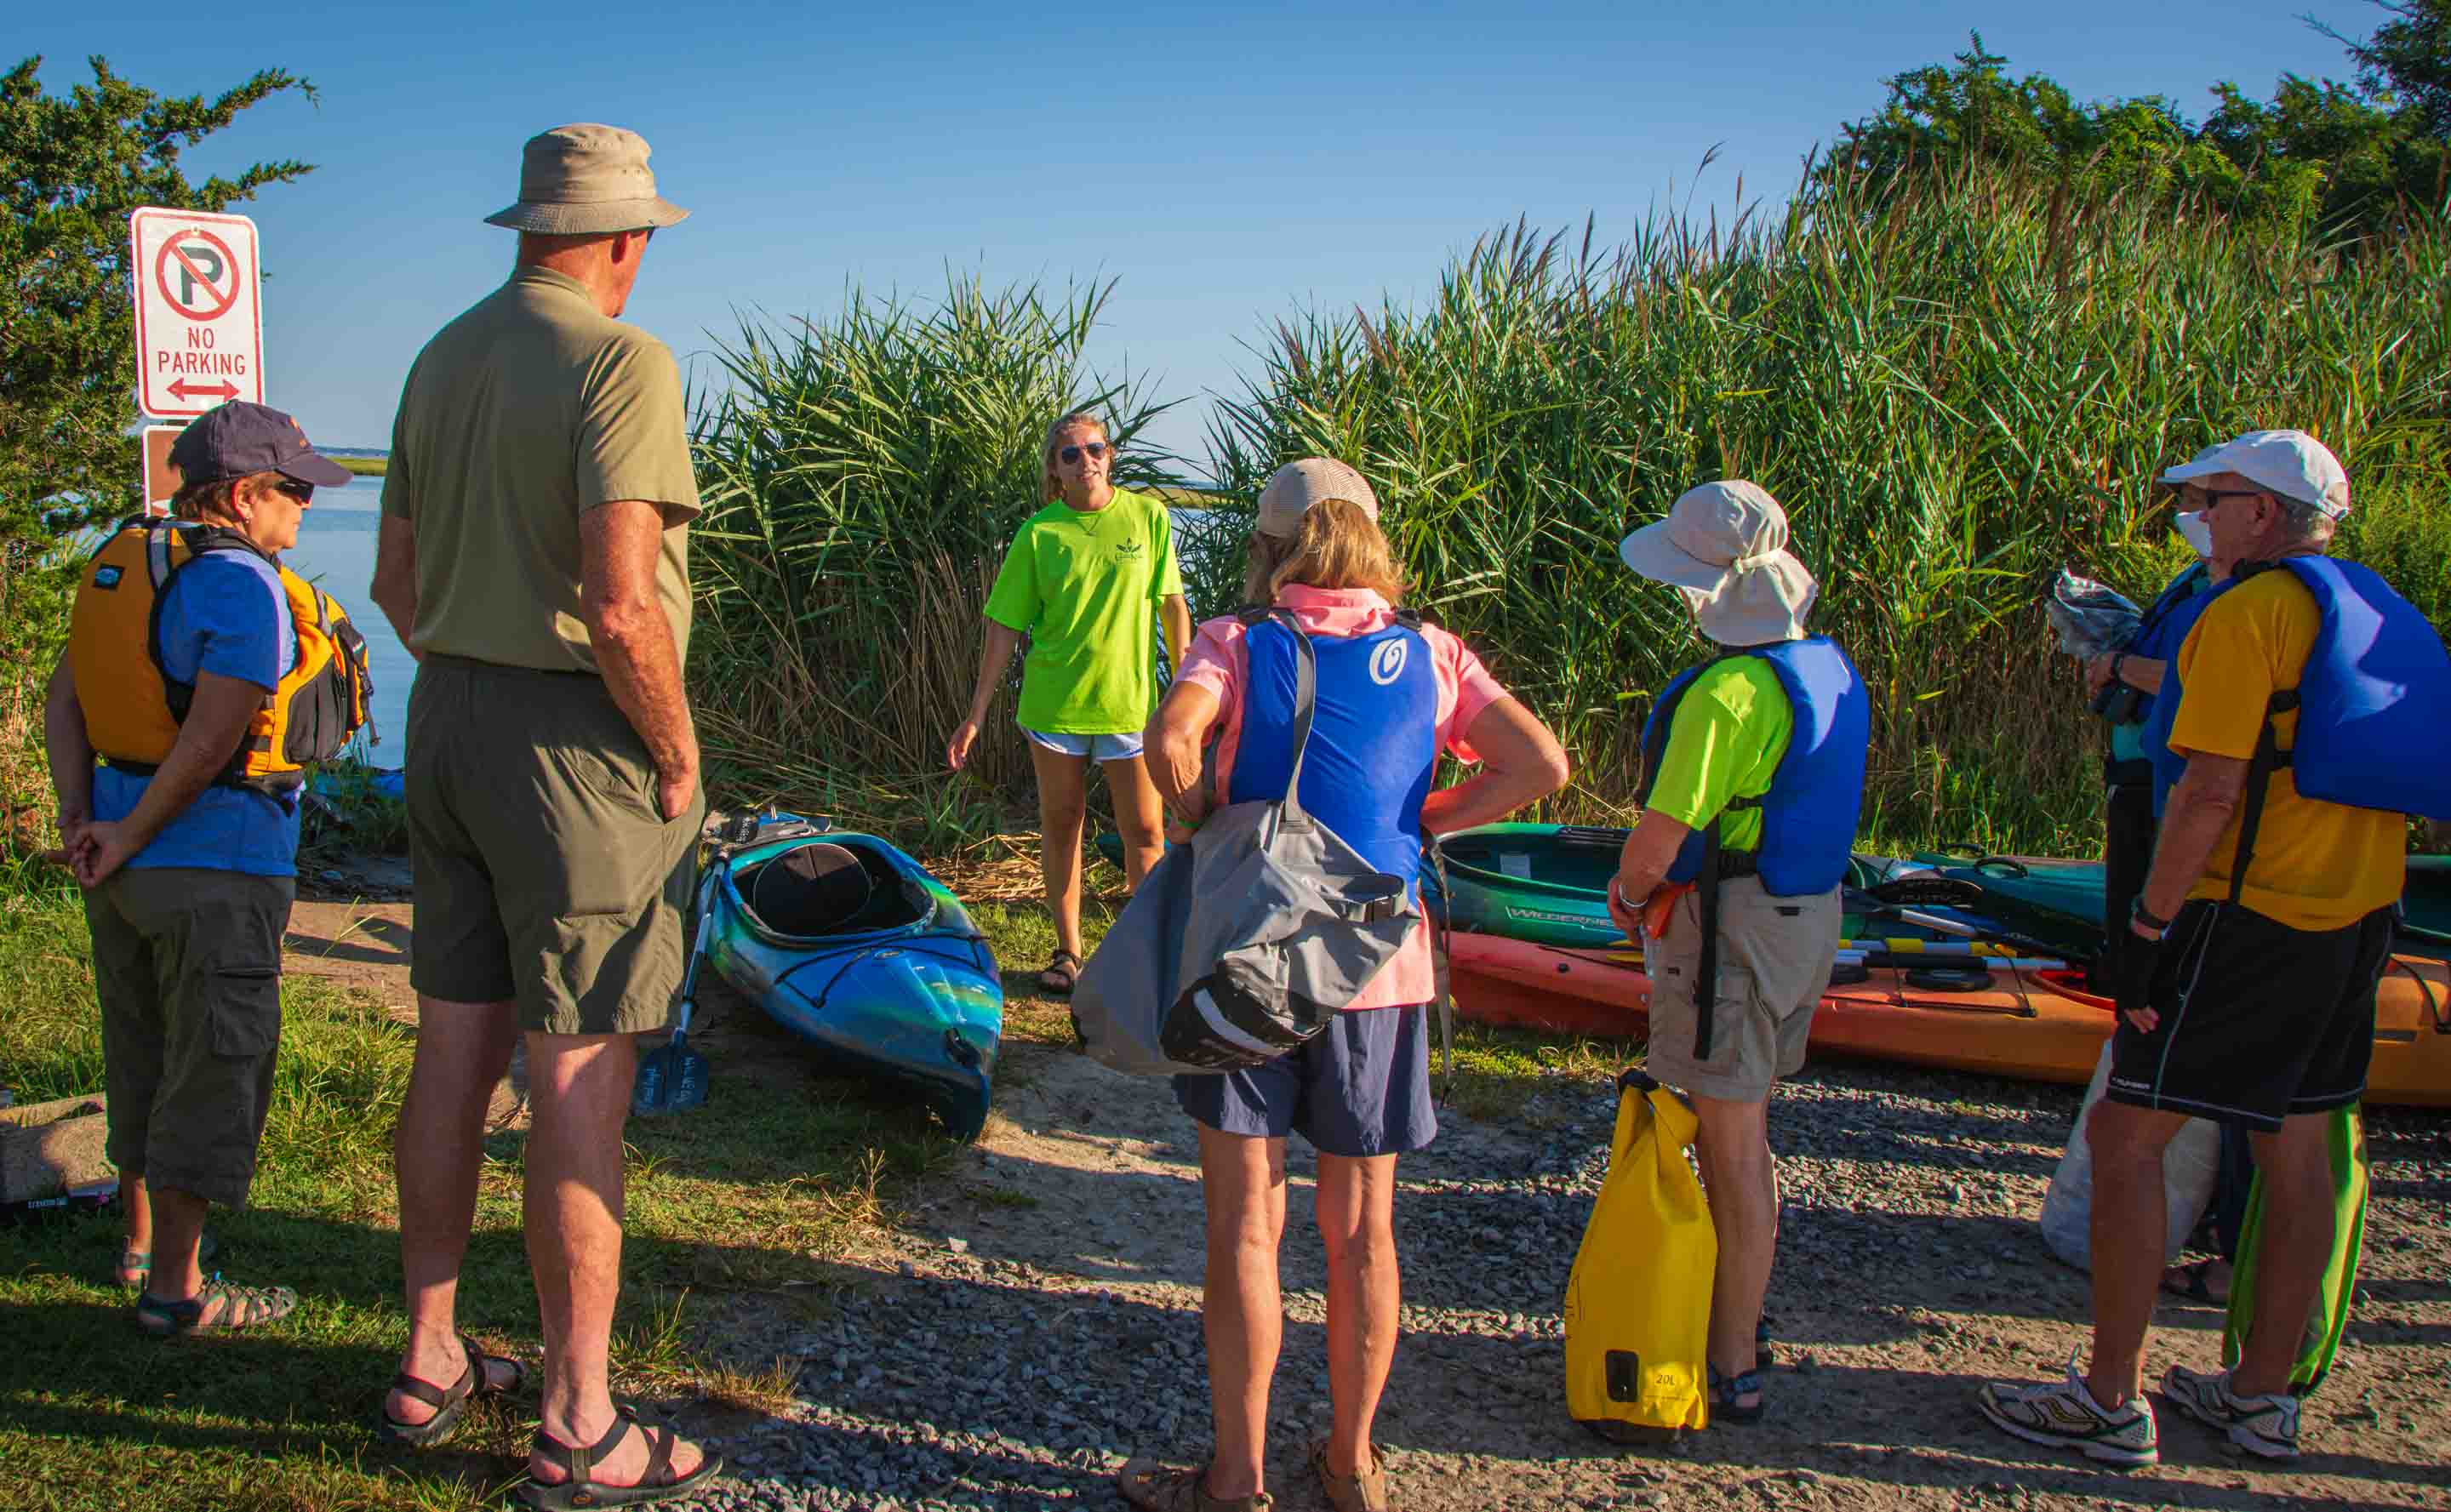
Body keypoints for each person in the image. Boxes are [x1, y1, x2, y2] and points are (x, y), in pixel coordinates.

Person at [368, 123, 717, 1505]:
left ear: (527, 230)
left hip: (445, 715)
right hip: (574, 742)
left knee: (452, 1041)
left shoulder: (439, 356)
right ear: (626, 243)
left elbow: (393, 580)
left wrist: (466, 654)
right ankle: (581, 1414)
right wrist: (675, 751)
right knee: (579, 1070)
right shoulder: (624, 361)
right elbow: (624, 599)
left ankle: (431, 1353)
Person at [1978, 428, 2440, 1465]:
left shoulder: (2249, 616)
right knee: (2298, 1144)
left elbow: (2210, 790)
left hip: (2246, 917)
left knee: (2127, 1139)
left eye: (2213, 496)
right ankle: (2261, 1397)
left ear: (2263, 513)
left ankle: (2107, 1398)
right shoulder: (2369, 607)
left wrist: (2148, 925)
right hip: (2358, 915)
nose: (2199, 512)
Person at [1122, 459, 1570, 1512]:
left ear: (1271, 552)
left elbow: (1168, 736)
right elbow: (1541, 765)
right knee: (1363, 1228)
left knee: (1245, 1225)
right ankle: (1351, 1466)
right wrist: (1428, 819)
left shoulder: (1235, 640)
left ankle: (1235, 1480)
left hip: (1248, 965)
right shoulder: (1434, 652)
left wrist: (1203, 821)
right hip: (1382, 967)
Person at [43, 401, 358, 1332]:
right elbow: (219, 731)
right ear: (246, 494)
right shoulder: (241, 584)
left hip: (117, 857)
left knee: (139, 1045)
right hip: (213, 862)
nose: (304, 508)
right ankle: (177, 1292)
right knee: (214, 1061)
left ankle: (141, 1241)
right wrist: (138, 829)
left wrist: (84, 816)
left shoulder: (126, 560)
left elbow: (67, 697)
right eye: (294, 489)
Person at [1603, 480, 1871, 1425]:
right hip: (1806, 920)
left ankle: (1730, 1355)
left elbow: (1658, 839)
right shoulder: (1827, 666)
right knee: (1744, 1129)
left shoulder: (1726, 692)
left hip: (1736, 933)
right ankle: (1739, 1325)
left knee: (1733, 1140)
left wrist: (1632, 897)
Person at [947, 413, 1189, 996]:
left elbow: (1174, 610)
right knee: (1062, 824)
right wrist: (976, 712)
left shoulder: (1148, 518)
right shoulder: (1040, 533)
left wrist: (1185, 697)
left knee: (1147, 831)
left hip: (1130, 707)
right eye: (1070, 455)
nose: (1085, 461)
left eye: (1095, 449)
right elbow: (1003, 625)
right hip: (1055, 709)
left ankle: (1145, 956)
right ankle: (1068, 952)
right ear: (1054, 471)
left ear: (1111, 456)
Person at [2082, 503, 2218, 984]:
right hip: (2136, 766)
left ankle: (2141, 999)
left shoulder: (2226, 598)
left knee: (2149, 903)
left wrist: (2118, 667)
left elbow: (2194, 680)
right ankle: (2123, 984)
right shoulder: (2193, 580)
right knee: (2124, 895)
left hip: (2165, 773)